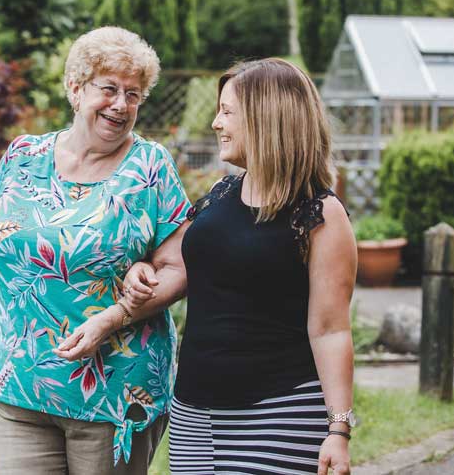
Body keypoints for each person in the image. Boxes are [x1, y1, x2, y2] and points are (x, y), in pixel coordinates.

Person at [0, 26, 191, 474]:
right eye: (109, 89)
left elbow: (180, 268)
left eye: (134, 94)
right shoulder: (21, 157)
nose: (121, 105)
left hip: (113, 392)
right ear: (75, 89)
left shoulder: (150, 168)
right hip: (17, 384)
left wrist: (114, 316)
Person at [119, 58, 357, 475]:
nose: (215, 123)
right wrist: (142, 268)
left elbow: (331, 329)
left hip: (278, 415)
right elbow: (176, 263)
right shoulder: (220, 194)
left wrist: (338, 430)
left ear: (267, 119)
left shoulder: (320, 214)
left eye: (227, 112)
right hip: (194, 414)